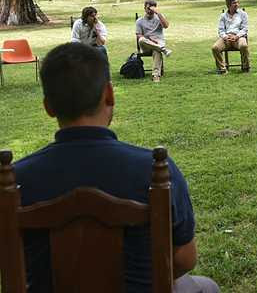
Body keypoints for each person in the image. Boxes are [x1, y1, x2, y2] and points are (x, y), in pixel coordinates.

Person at [13, 43, 219, 293]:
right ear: (109, 95)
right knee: (206, 287)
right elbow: (185, 258)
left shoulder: (16, 179)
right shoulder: (153, 169)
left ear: (48, 107)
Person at [211, 0, 249, 74]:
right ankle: (222, 69)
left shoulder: (243, 14)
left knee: (244, 46)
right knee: (215, 48)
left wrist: (237, 36)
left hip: (238, 37)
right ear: (228, 4)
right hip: (226, 38)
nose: (237, 4)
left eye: (238, 2)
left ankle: (245, 67)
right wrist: (225, 37)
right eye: (234, 3)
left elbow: (245, 28)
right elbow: (221, 30)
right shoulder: (223, 16)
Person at [136, 0, 171, 83]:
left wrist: (158, 13)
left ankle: (156, 75)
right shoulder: (139, 21)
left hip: (158, 43)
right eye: (148, 8)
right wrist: (150, 40)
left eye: (151, 9)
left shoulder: (159, 17)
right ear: (144, 8)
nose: (149, 11)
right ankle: (164, 49)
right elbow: (139, 35)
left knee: (156, 51)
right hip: (146, 44)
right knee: (141, 40)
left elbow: (166, 26)